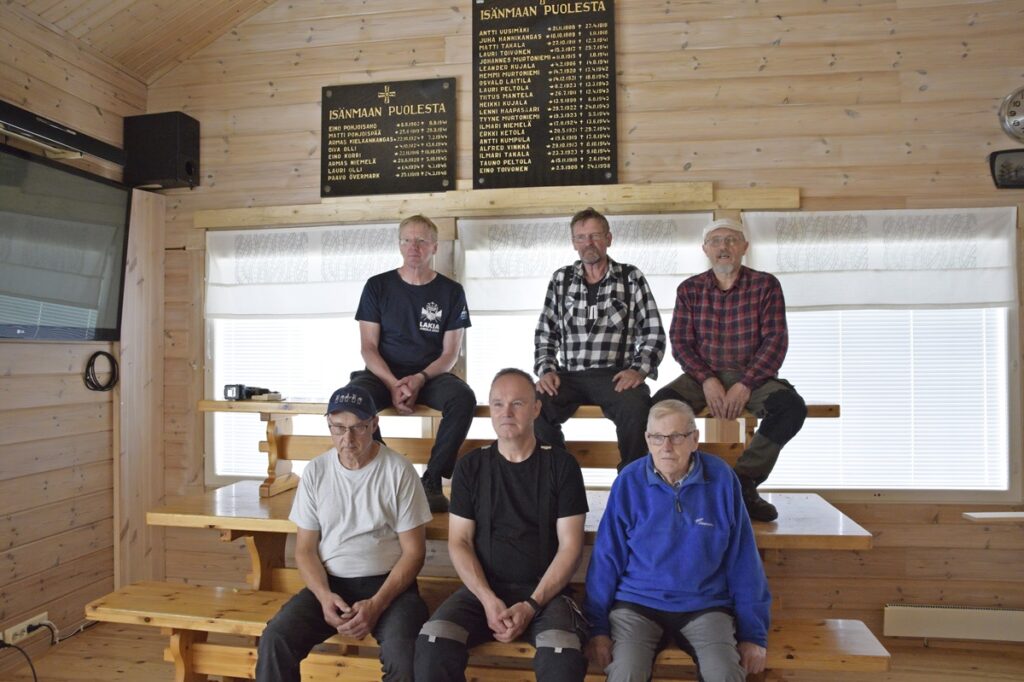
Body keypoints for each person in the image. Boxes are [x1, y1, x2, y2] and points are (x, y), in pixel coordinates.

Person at [414, 368, 590, 682]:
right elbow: (460, 542)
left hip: (545, 595)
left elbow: (571, 547)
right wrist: (487, 598)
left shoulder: (562, 466)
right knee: (432, 644)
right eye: (497, 404)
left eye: (517, 404)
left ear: (536, 408)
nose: (506, 412)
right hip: (482, 592)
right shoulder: (470, 466)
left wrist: (531, 604)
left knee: (562, 656)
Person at [584, 399, 771, 682]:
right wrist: (597, 629)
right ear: (647, 440)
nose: (666, 447)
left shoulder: (722, 479)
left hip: (705, 604)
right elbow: (606, 560)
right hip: (637, 603)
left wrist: (753, 634)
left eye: (677, 437)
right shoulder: (628, 482)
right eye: (657, 437)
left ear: (695, 439)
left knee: (725, 674)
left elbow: (743, 560)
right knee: (625, 673)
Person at [255, 384, 432, 682]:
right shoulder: (315, 471)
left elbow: (415, 553)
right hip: (331, 585)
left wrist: (377, 604)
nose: (347, 439)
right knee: (276, 638)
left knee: (406, 655)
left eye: (358, 428)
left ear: (374, 424)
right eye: (338, 428)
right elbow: (305, 550)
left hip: (390, 586)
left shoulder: (398, 470)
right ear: (329, 425)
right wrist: (324, 597)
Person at [653, 217, 807, 522]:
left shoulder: (766, 285)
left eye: (732, 240)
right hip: (700, 376)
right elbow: (681, 343)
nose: (724, 247)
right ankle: (678, 486)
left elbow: (776, 341)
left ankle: (742, 483)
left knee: (791, 408)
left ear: (745, 247)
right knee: (658, 409)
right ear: (705, 249)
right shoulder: (690, 289)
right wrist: (708, 380)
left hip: (754, 376)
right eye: (716, 241)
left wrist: (746, 383)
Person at [350, 214, 476, 512]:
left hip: (430, 375)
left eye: (421, 240)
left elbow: (449, 355)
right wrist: (393, 384)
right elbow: (368, 348)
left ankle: (431, 481)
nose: (413, 246)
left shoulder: (451, 292)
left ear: (434, 247)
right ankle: (386, 478)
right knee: (353, 401)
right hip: (382, 373)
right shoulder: (377, 286)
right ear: (399, 245)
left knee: (463, 398)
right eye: (407, 240)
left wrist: (418, 379)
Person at [534, 207, 666, 470]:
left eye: (595, 236)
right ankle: (558, 475)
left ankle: (631, 483)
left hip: (615, 376)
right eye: (581, 237)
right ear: (574, 243)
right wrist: (546, 369)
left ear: (609, 238)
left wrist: (638, 371)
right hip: (569, 376)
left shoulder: (631, 277)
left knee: (637, 408)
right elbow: (546, 332)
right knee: (534, 407)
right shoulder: (561, 279)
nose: (588, 243)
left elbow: (654, 332)